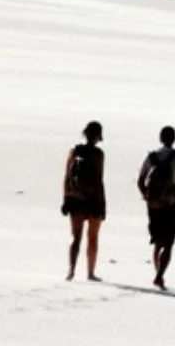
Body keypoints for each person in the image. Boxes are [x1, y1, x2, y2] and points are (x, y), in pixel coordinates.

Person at [137, 125, 175, 291]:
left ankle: (159, 275)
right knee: (168, 243)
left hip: (153, 205)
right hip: (171, 204)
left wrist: (147, 196)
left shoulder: (152, 156)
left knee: (157, 242)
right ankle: (159, 276)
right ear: (174, 139)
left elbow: (141, 180)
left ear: (160, 138)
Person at [61, 121, 106, 282]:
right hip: (93, 199)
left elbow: (67, 177)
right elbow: (100, 180)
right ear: (98, 136)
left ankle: (71, 270)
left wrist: (65, 199)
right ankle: (90, 273)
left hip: (76, 198)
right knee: (92, 238)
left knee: (76, 237)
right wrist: (103, 204)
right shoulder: (99, 154)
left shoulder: (75, 150)